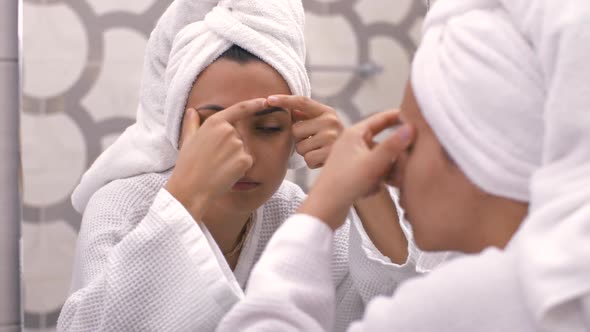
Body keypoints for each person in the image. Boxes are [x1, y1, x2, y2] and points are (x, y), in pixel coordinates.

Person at [57, 1, 444, 331]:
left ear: (295, 133)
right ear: (177, 128)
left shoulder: (294, 212)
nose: (241, 152)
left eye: (269, 127)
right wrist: (186, 197)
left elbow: (398, 312)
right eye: (214, 127)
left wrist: (363, 185)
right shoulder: (122, 206)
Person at [217, 0, 590, 331]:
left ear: (477, 152)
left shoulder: (462, 307)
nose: (390, 169)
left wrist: (322, 205)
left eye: (408, 142)